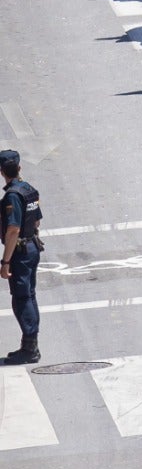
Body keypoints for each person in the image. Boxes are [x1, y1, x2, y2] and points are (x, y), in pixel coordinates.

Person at [1, 149, 42, 366]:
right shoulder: (29, 190)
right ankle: (30, 344)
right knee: (29, 295)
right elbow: (36, 222)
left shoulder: (13, 196)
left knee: (22, 298)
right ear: (19, 168)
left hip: (21, 252)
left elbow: (13, 230)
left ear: (1, 172)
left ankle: (30, 348)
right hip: (32, 248)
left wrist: (5, 262)